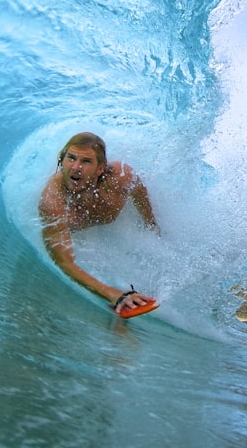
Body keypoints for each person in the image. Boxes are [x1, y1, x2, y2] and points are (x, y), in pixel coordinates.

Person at [38, 132, 158, 316]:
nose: (76, 167)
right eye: (71, 158)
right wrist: (114, 294)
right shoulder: (53, 201)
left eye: (86, 161)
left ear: (100, 168)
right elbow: (63, 261)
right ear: (62, 160)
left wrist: (152, 226)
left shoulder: (121, 176)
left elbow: (140, 192)